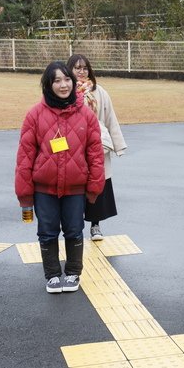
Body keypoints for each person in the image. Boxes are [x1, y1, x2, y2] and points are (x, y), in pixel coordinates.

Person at [15, 61, 105, 294]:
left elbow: (95, 153)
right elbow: (25, 156)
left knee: (74, 230)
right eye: (57, 80)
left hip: (75, 187)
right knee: (47, 230)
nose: (63, 85)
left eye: (67, 79)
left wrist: (95, 185)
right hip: (43, 188)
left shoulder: (86, 114)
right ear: (48, 84)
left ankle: (73, 272)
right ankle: (53, 274)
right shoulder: (35, 114)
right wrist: (24, 194)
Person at [66, 54, 128, 241]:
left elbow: (110, 118)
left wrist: (118, 145)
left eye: (85, 68)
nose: (82, 71)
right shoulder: (64, 90)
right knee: (75, 187)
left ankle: (95, 226)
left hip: (97, 145)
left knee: (97, 184)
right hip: (73, 147)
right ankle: (74, 226)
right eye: (77, 68)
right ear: (70, 69)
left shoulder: (99, 91)